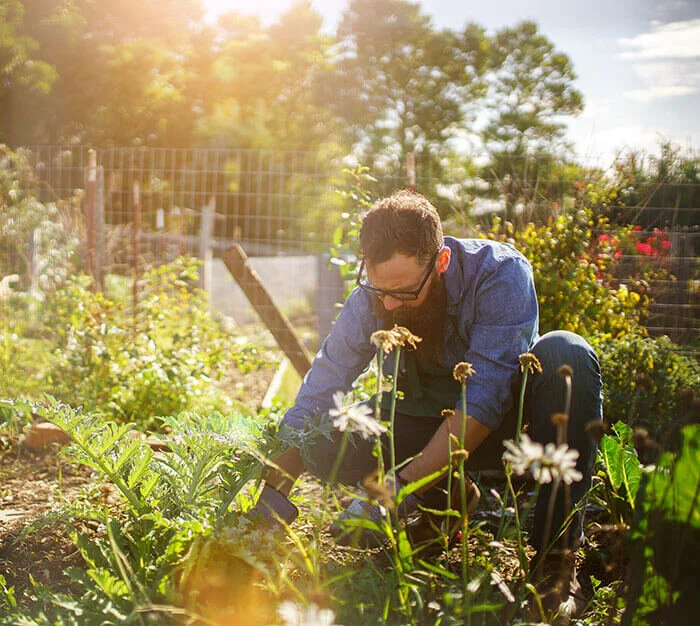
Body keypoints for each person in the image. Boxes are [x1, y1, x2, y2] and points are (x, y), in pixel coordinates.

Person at [248, 189, 602, 617]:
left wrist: (395, 491)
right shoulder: (374, 294)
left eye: (403, 291)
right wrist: (271, 493)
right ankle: (448, 501)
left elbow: (485, 399)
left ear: (441, 262)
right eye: (379, 289)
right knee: (320, 440)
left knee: (568, 354)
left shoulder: (499, 274)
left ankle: (555, 565)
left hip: (505, 433)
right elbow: (323, 384)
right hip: (419, 423)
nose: (390, 303)